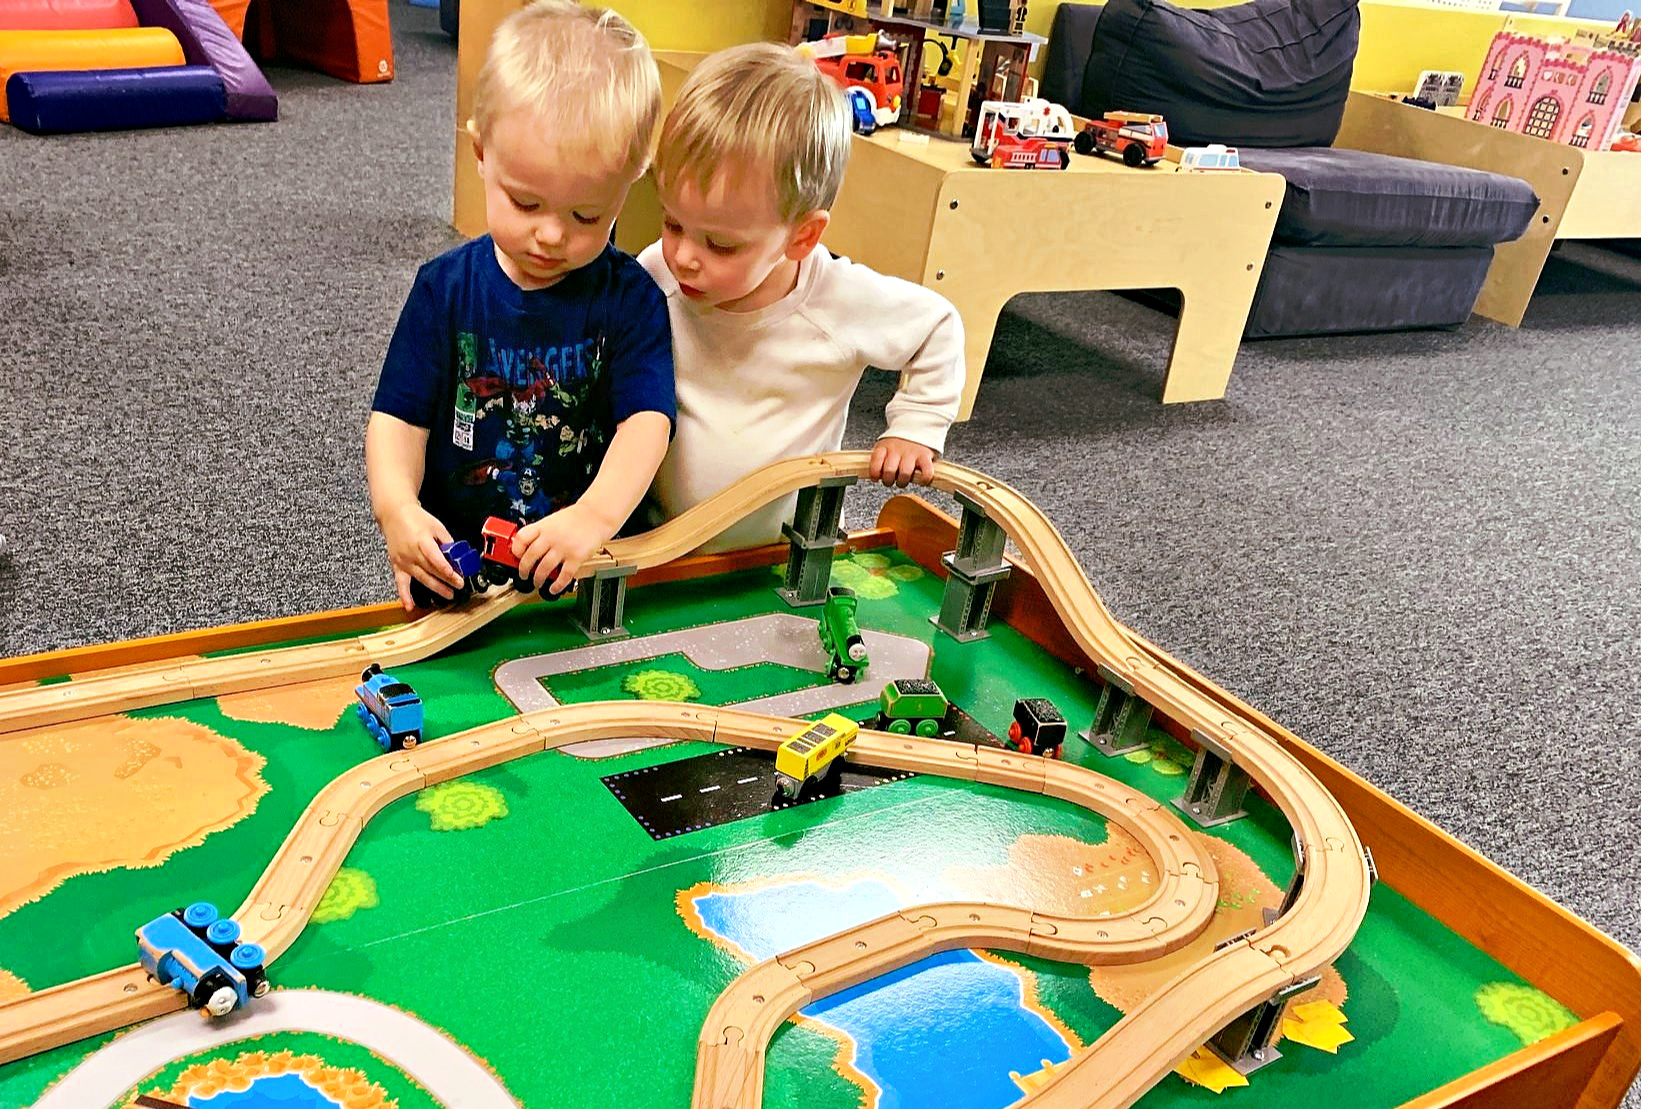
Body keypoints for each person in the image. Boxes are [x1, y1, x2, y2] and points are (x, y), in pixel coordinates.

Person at [367, 0, 674, 611]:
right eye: (526, 203)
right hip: (458, 570)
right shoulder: (443, 288)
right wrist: (398, 511)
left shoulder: (632, 298)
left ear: (629, 183)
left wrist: (591, 520)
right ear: (481, 153)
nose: (552, 236)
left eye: (587, 215)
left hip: (585, 569)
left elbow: (648, 424)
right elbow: (398, 419)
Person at [639, 42, 965, 553]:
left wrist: (915, 428)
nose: (683, 256)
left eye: (720, 244)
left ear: (802, 237)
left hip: (778, 555)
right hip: (653, 543)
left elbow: (937, 326)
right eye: (673, 222)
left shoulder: (838, 300)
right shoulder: (656, 270)